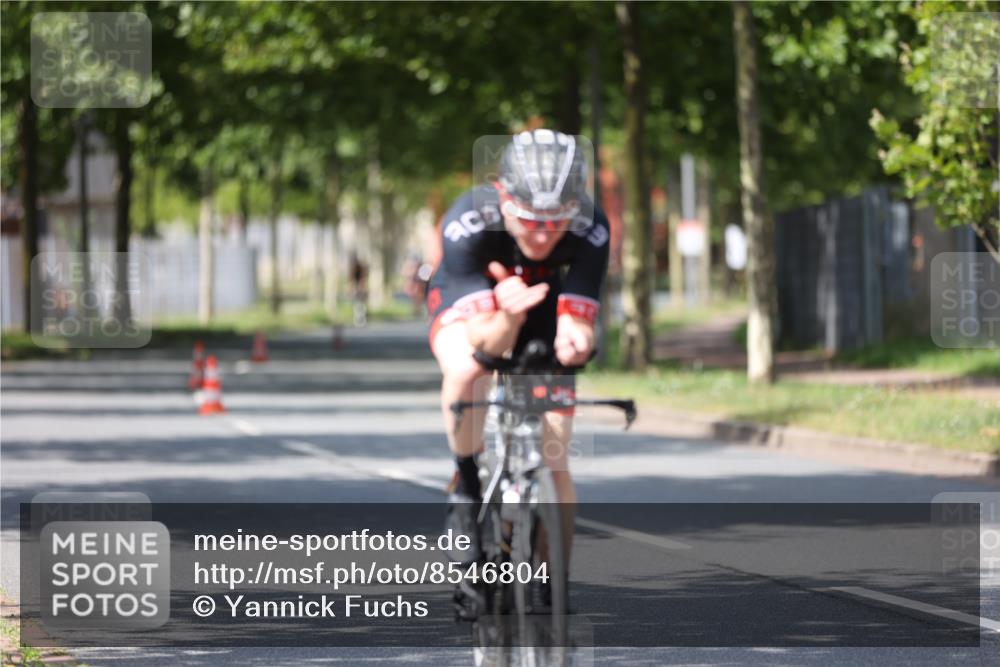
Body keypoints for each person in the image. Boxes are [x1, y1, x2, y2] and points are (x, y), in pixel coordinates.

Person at [425, 129, 610, 614]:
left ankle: (553, 577)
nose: (544, 234)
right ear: (503, 198)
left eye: (558, 221)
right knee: (467, 371)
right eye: (530, 220)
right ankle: (466, 486)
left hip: (544, 301)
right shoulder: (468, 220)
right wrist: (506, 316)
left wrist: (576, 342)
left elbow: (579, 320)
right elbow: (485, 343)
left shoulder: (592, 225)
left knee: (555, 452)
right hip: (481, 305)